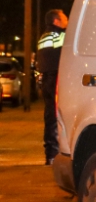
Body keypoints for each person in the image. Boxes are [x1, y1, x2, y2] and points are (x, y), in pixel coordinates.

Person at [36, 9, 68, 165]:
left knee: (50, 117)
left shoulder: (44, 37)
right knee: (56, 117)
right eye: (64, 17)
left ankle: (50, 154)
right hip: (56, 79)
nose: (67, 19)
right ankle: (55, 154)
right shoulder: (60, 36)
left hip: (47, 79)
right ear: (56, 21)